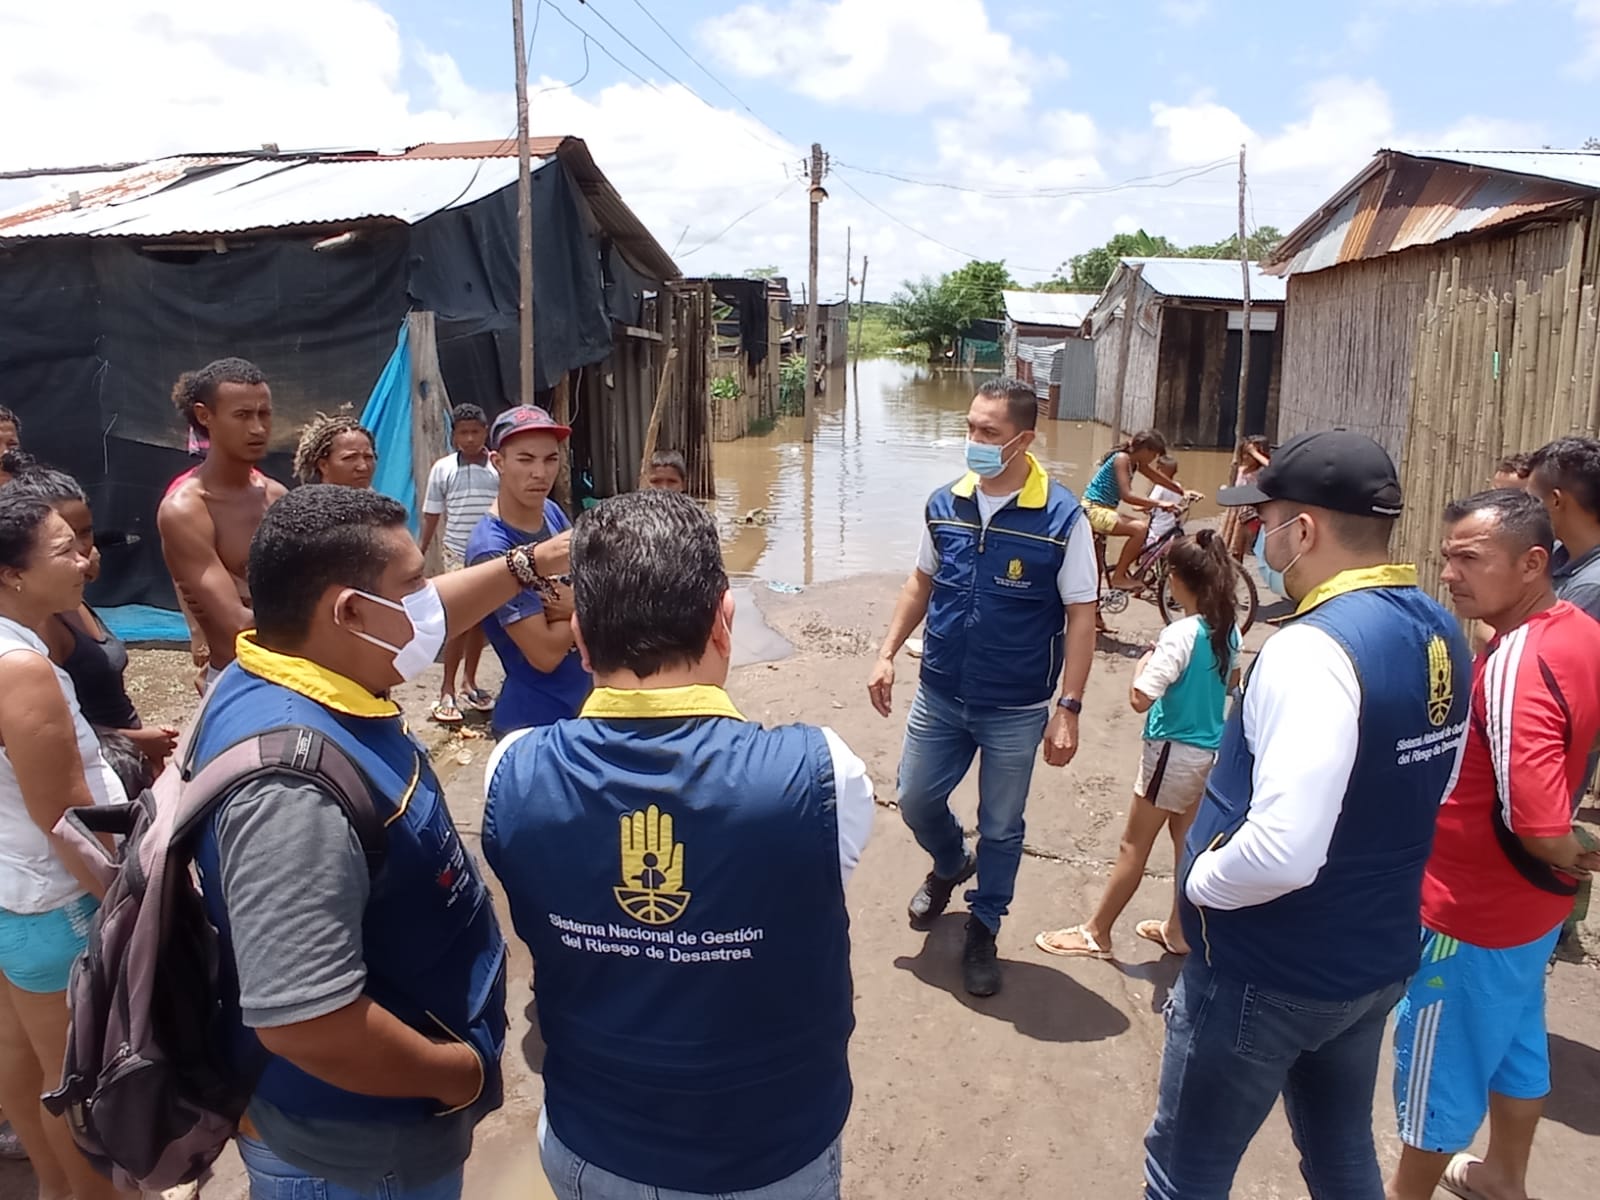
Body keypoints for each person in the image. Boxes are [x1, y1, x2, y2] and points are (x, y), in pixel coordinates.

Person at [484, 489, 873, 1200]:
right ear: (725, 622)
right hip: (767, 1158)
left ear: (580, 640)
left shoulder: (512, 768)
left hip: (591, 1146)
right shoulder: (823, 773)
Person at [188, 483, 572, 1200]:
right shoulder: (290, 794)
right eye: (414, 587)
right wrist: (456, 1074)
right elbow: (307, 1023)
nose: (430, 604)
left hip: (377, 1124)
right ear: (350, 612)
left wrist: (526, 565)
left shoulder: (281, 665)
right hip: (358, 1152)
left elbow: (432, 612)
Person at [1144, 430, 1472, 1200]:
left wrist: (1203, 885)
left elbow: (1285, 851)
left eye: (1265, 521)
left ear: (1307, 531)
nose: (1257, 537)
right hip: (1374, 958)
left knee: (1184, 1169)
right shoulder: (1438, 628)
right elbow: (1441, 784)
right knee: (1339, 1153)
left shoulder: (1313, 650)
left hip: (1269, 971)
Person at [1387, 489, 1600, 1200]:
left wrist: (1572, 850)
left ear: (1533, 564)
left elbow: (1539, 825)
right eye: (1448, 558)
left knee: (1433, 1081)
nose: (1450, 574)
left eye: (1470, 560)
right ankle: (1504, 1173)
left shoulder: (1517, 664)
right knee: (1515, 1044)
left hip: (1468, 915)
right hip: (1529, 912)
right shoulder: (1574, 629)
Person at [868, 378, 1097, 996]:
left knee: (1001, 825)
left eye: (988, 433)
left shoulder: (1063, 518)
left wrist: (1068, 708)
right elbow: (921, 583)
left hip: (1017, 705)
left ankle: (984, 924)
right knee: (914, 798)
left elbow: (1082, 615)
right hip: (941, 692)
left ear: (1024, 439)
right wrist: (886, 652)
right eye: (970, 428)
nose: (974, 441)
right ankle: (948, 861)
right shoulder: (945, 503)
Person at [0, 492, 127, 1200]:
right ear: (11, 575)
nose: (85, 559)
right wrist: (138, 905)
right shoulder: (21, 669)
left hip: (14, 898)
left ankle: (52, 1190)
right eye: (64, 551)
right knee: (79, 1093)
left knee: (24, 1069)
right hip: (56, 907)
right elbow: (71, 821)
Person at [1035, 531, 1240, 961]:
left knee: (1134, 845)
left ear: (1180, 580)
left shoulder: (1180, 634)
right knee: (1186, 843)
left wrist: (1142, 664)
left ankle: (1097, 932)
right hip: (1207, 752)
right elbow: (1232, 681)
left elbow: (1139, 698)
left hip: (1172, 753)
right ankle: (1179, 930)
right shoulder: (1227, 630)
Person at [5, 465, 179, 779]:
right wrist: (138, 741)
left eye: (85, 532)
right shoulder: (34, 626)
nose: (82, 549)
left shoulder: (68, 596)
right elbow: (49, 726)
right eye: (63, 541)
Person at [157, 358, 286, 684]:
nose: (257, 428)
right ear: (205, 416)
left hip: (296, 672)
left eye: (264, 414)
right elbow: (237, 623)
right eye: (242, 416)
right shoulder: (187, 509)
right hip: (239, 679)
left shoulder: (276, 496)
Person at [466, 406, 591, 738]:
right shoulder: (492, 550)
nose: (540, 473)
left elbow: (582, 579)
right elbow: (545, 654)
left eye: (550, 459)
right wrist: (587, 605)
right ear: (498, 462)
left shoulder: (549, 511)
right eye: (525, 460)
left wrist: (575, 603)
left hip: (582, 703)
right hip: (537, 720)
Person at [420, 405, 499, 725]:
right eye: (462, 433)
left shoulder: (498, 467)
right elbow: (431, 513)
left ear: (485, 432)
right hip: (456, 555)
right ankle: (446, 689)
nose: (469, 439)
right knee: (458, 621)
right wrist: (420, 551)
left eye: (475, 432)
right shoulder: (443, 468)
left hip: (490, 552)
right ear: (453, 435)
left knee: (480, 621)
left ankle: (470, 682)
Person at [1082, 430, 1183, 589]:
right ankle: (1119, 576)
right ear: (1144, 450)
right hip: (1093, 509)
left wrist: (1181, 492)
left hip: (1104, 510)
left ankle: (1096, 611)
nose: (1153, 459)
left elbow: (1156, 477)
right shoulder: (1122, 459)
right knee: (1140, 529)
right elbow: (1127, 495)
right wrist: (1160, 503)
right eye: (1153, 454)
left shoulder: (1134, 463)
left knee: (1098, 568)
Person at [1221, 435, 1272, 560]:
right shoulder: (1240, 469)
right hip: (1234, 510)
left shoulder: (1261, 472)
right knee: (1227, 544)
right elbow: (1234, 486)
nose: (1246, 457)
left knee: (1239, 547)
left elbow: (1272, 467)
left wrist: (1254, 452)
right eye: (1244, 454)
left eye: (1250, 455)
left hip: (1248, 513)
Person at [293, 414, 377, 489]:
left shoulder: (382, 505)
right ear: (323, 465)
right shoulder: (303, 505)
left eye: (368, 457)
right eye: (350, 458)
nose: (363, 467)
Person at [1144, 454, 1185, 548]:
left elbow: (1149, 504)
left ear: (1159, 471)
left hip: (1158, 530)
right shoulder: (1177, 486)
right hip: (1172, 529)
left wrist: (1138, 507)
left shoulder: (1160, 487)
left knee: (1145, 553)